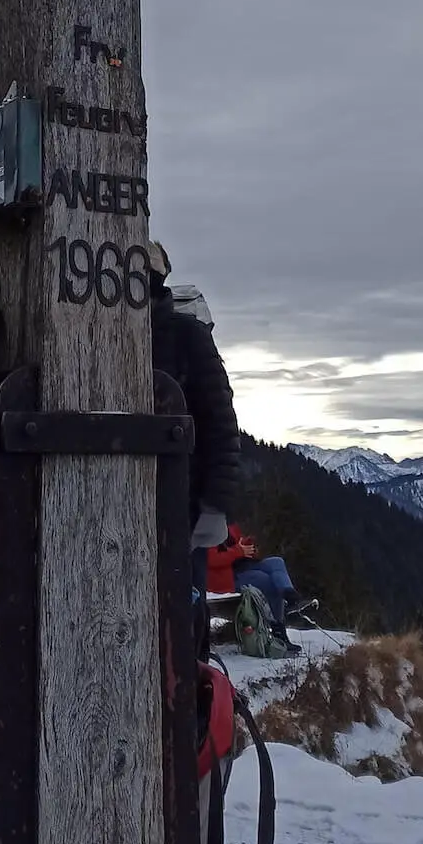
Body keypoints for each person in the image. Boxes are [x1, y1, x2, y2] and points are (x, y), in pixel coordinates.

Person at [147, 243, 241, 643]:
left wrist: (214, 506)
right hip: (127, 505)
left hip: (181, 509)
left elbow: (220, 423)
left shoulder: (186, 336)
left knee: (182, 622)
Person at [207, 521, 298, 627]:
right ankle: (278, 626)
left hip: (241, 566)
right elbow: (210, 559)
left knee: (276, 562)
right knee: (266, 580)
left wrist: (248, 547)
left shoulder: (228, 524)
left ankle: (290, 597)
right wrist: (238, 551)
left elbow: (237, 545)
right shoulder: (207, 528)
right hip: (224, 577)